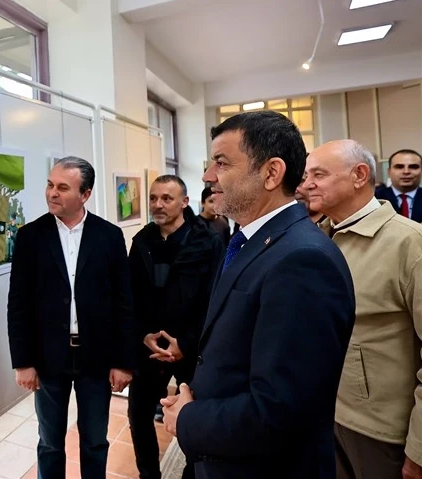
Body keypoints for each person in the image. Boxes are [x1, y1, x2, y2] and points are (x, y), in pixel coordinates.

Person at [160, 110, 356, 478]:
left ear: (271, 173)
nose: (207, 176)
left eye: (221, 163)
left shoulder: (302, 260)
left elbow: (281, 410)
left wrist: (189, 417)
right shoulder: (252, 242)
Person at [7, 156, 136, 479]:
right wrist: (23, 362)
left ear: (85, 194)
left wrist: (123, 361)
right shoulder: (30, 237)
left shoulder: (109, 236)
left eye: (63, 187)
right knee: (50, 442)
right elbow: (18, 304)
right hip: (48, 358)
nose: (52, 193)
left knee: (95, 441)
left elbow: (124, 302)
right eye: (50, 184)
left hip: (96, 357)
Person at [302, 139, 422, 479]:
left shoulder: (410, 243)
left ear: (359, 175)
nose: (307, 184)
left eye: (319, 175)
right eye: (306, 175)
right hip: (326, 414)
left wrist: (419, 448)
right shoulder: (316, 240)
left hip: (382, 432)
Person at [127, 175, 223, 479]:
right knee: (138, 415)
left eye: (166, 198)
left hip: (191, 349)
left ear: (184, 202)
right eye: (153, 198)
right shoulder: (142, 241)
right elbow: (130, 296)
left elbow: (214, 299)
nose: (158, 204)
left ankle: (192, 474)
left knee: (194, 416)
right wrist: (143, 335)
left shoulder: (208, 242)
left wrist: (186, 343)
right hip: (149, 347)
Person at [375, 149, 422, 222]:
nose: (406, 171)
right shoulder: (374, 199)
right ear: (389, 172)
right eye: (399, 167)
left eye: (413, 167)